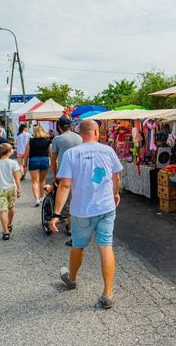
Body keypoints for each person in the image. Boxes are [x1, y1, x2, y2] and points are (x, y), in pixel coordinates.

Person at [50, 119, 122, 309]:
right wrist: (115, 193)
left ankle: (72, 279)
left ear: (80, 134)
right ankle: (107, 293)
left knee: (78, 246)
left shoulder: (71, 154)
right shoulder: (108, 150)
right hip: (106, 208)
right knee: (106, 246)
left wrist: (56, 213)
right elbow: (116, 176)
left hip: (82, 211)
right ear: (96, 132)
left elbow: (64, 185)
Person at [50, 116, 82, 246]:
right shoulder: (79, 137)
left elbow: (53, 159)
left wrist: (55, 174)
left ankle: (72, 229)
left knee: (68, 201)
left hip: (65, 172)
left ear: (58, 126)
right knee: (77, 198)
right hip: (80, 171)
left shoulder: (57, 139)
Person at [0, 143, 22, 240]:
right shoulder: (13, 163)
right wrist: (19, 189)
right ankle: (9, 224)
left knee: (3, 210)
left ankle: (6, 232)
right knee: (11, 207)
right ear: (9, 152)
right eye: (11, 149)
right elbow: (16, 178)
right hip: (11, 188)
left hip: (1, 189)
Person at [24, 125, 51, 207]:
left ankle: (36, 200)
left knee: (35, 181)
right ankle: (42, 197)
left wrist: (25, 163)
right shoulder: (47, 141)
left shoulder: (30, 141)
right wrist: (52, 163)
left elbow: (26, 154)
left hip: (33, 160)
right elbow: (50, 153)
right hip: (44, 160)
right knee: (42, 180)